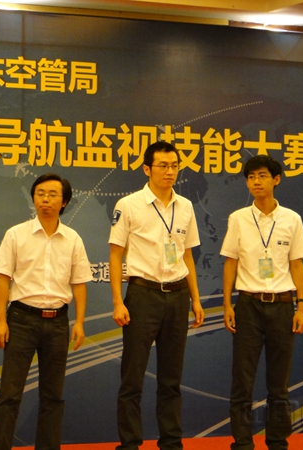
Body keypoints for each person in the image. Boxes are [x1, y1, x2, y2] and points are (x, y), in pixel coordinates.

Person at [109, 141, 205, 450]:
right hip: (142, 295)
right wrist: (118, 301)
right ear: (147, 169)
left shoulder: (185, 206)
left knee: (171, 378)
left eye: (175, 165)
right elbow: (115, 255)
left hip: (177, 296)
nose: (170, 171)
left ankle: (171, 442)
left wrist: (196, 299)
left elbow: (187, 256)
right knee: (133, 377)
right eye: (163, 165)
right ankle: (130, 443)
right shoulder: (129, 204)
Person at [0, 173, 92, 450]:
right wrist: (0, 321)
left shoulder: (73, 239)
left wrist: (80, 322)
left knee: (53, 396)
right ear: (34, 198)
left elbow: (79, 283)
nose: (45, 199)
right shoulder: (16, 234)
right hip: (21, 320)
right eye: (40, 194)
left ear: (64, 202)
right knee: (10, 395)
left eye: (52, 194)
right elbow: (3, 280)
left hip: (58, 323)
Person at [221, 155, 303, 450]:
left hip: (283, 305)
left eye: (261, 176)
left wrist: (301, 306)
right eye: (250, 177)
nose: (255, 182)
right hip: (248, 305)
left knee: (279, 382)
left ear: (276, 179)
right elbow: (230, 262)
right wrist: (227, 305)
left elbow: (296, 265)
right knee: (242, 380)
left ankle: (277, 441)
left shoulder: (292, 219)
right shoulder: (238, 218)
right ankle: (242, 442)